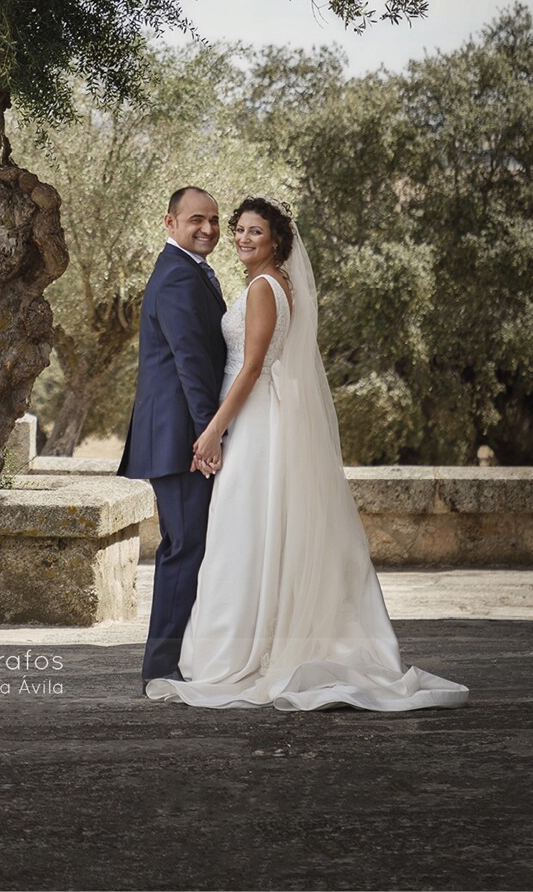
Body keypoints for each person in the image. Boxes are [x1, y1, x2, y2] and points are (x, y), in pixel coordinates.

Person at [144, 195, 468, 712]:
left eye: (256, 232)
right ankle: (243, 639)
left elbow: (249, 369)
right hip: (257, 418)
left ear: (277, 241)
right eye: (240, 230)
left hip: (249, 419)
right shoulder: (274, 284)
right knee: (255, 532)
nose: (243, 238)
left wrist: (210, 432)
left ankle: (237, 651)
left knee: (243, 534)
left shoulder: (262, 288)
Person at [118, 186, 227, 689]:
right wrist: (210, 434)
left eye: (214, 220)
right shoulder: (179, 277)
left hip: (183, 435)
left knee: (188, 546)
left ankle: (184, 658)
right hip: (181, 439)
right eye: (196, 220)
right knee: (184, 548)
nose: (207, 228)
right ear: (170, 222)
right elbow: (190, 363)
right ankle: (161, 668)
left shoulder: (190, 271)